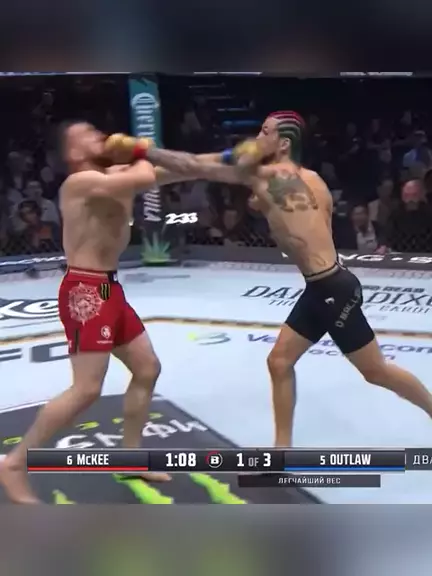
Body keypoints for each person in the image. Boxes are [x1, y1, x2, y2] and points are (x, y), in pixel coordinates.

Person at [0, 121, 274, 503]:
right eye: (87, 135)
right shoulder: (80, 183)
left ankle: (129, 458)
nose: (99, 136)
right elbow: (147, 174)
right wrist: (141, 150)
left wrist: (232, 160)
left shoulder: (115, 174)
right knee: (86, 389)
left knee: (147, 368)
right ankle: (14, 464)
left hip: (109, 287)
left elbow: (184, 167)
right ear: (73, 153)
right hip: (85, 291)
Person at [187, 111, 432, 448]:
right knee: (279, 362)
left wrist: (153, 161)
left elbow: (208, 168)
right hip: (323, 286)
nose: (258, 138)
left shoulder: (274, 178)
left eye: (265, 132)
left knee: (375, 370)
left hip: (331, 288)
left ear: (283, 144)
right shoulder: (313, 179)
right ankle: (281, 452)